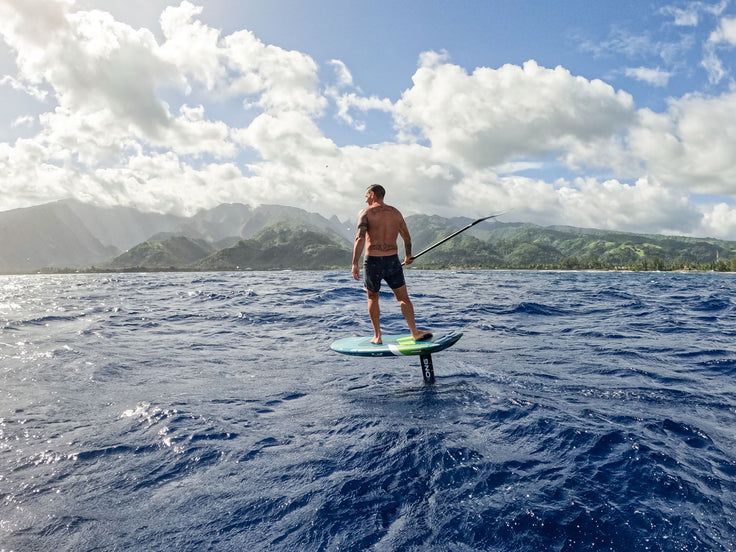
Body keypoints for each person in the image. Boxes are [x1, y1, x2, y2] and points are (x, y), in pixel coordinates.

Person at [351, 184, 432, 344]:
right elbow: (406, 237)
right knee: (403, 298)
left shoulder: (365, 213)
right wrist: (408, 255)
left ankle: (377, 336)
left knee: (372, 297)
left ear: (373, 194)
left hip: (373, 261)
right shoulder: (396, 213)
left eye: (366, 195)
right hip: (392, 260)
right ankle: (415, 332)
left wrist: (354, 263)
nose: (365, 199)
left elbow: (360, 238)